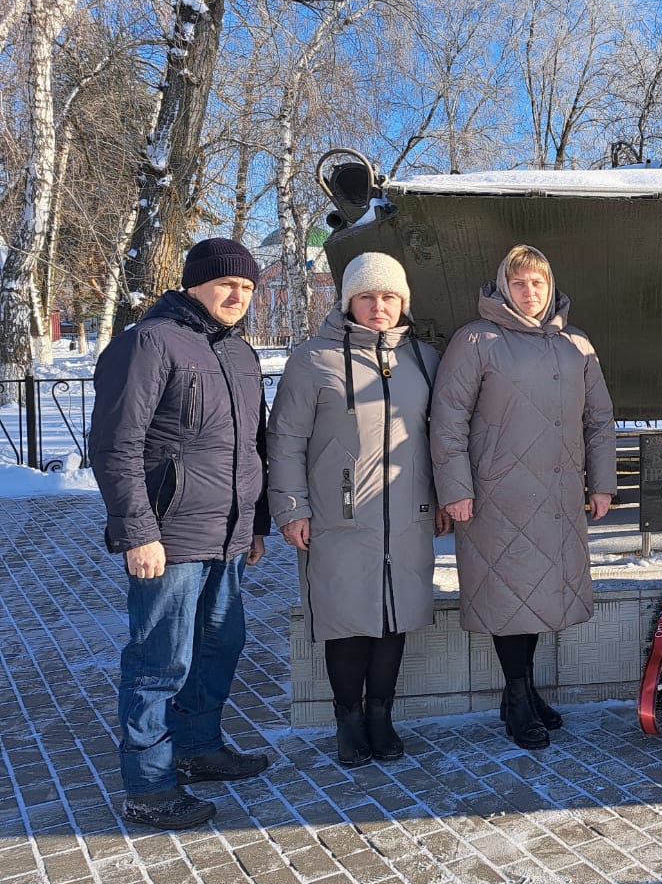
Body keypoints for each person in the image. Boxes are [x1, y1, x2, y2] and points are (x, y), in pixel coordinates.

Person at [88, 237, 272, 830]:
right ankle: (149, 783)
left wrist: (256, 525)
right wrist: (137, 531)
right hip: (168, 536)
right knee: (159, 660)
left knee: (221, 646)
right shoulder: (148, 342)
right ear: (194, 283)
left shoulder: (240, 354)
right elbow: (117, 446)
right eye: (227, 284)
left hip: (229, 536)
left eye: (246, 287)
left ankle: (197, 747)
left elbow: (254, 449)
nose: (237, 295)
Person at [430, 245, 616, 752]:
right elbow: (448, 420)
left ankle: (526, 689)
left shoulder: (576, 344)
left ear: (550, 286)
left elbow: (599, 420)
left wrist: (601, 483)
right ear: (502, 288)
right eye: (519, 284)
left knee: (537, 596)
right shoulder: (477, 340)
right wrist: (456, 490)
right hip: (497, 496)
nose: (529, 293)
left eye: (537, 283)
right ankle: (515, 698)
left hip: (556, 495)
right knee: (507, 596)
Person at [267, 253, 449, 768]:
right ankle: (348, 720)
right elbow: (285, 440)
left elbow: (439, 436)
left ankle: (380, 717)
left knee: (395, 616)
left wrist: (437, 498)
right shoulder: (313, 359)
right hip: (337, 515)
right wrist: (291, 508)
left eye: (390, 296)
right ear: (348, 301)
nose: (379, 306)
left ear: (404, 302)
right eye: (368, 296)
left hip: (406, 514)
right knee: (345, 619)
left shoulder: (423, 359)